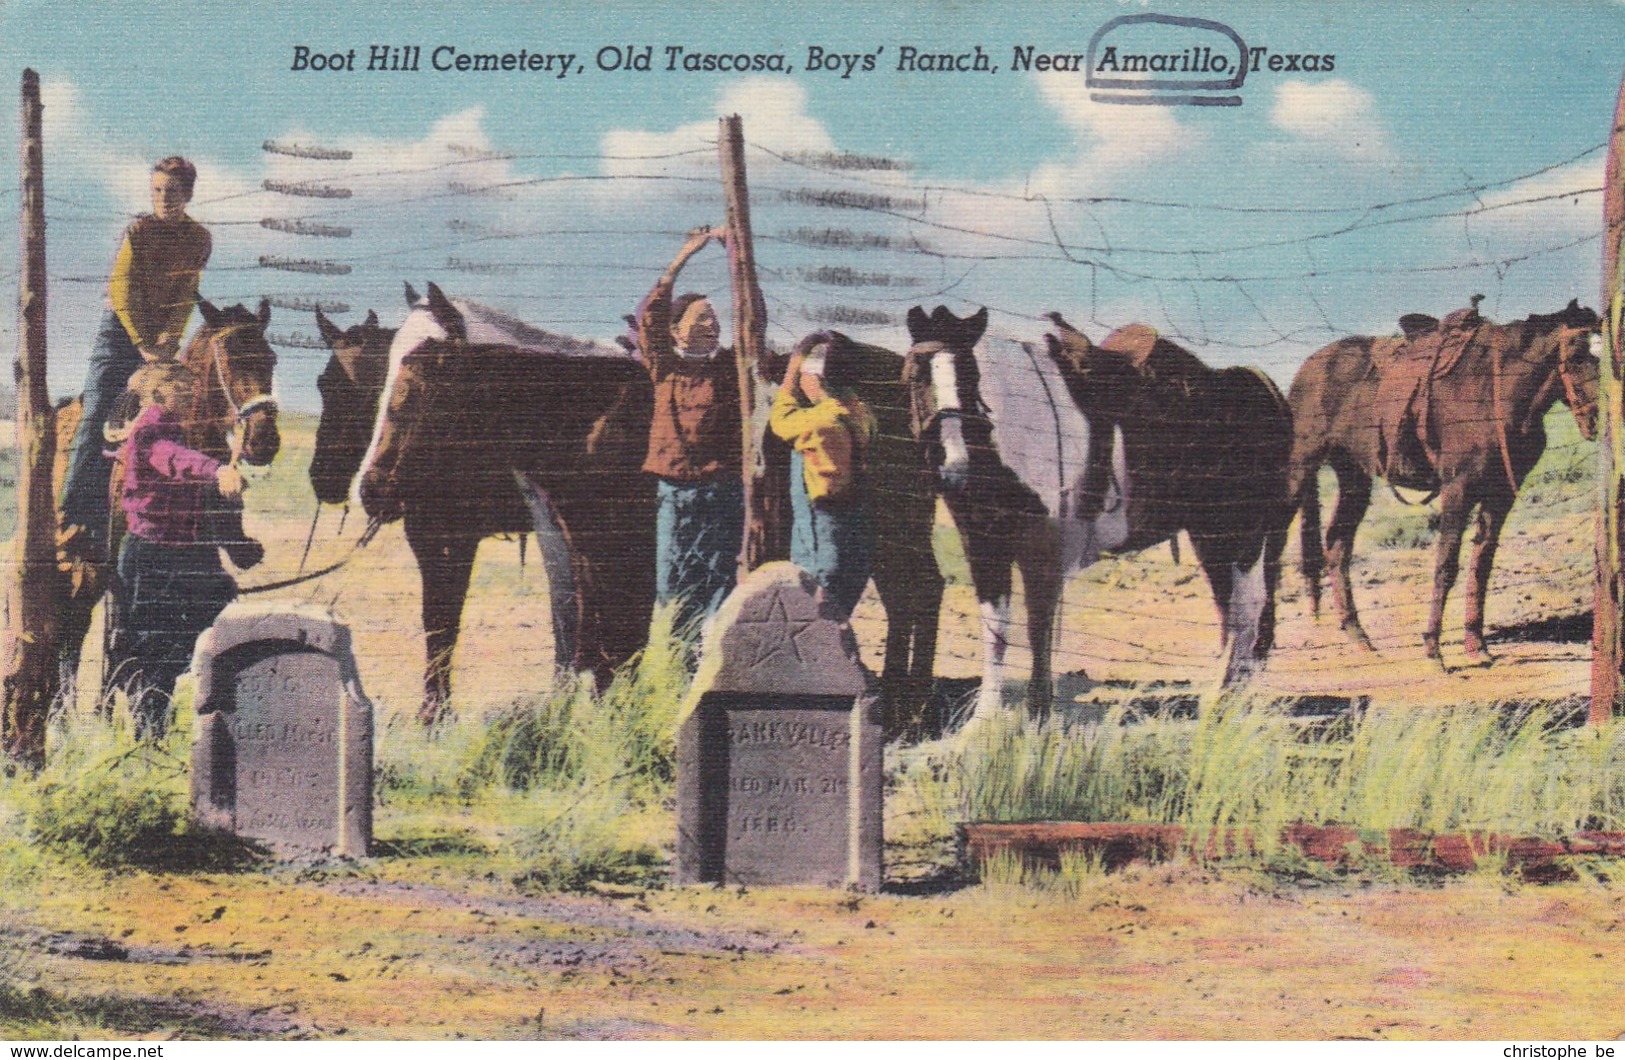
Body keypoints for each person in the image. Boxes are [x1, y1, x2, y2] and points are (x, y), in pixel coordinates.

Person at [59, 156, 212, 569]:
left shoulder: (199, 239)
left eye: (173, 192)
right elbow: (122, 291)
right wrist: (143, 342)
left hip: (160, 338)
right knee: (96, 416)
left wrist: (169, 339)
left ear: (189, 195)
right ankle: (71, 519)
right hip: (120, 333)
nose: (164, 199)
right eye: (157, 191)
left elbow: (187, 292)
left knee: (185, 411)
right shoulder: (139, 232)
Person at [109, 363, 247, 739]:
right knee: (159, 648)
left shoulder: (169, 425)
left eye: (191, 387)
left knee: (209, 615)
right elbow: (171, 458)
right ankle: (149, 735)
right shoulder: (151, 428)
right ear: (157, 393)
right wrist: (216, 471)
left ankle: (157, 720)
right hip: (152, 555)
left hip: (176, 552)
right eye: (179, 388)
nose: (189, 394)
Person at [637, 225, 744, 636]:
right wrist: (686, 254)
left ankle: (710, 670)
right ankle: (673, 676)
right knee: (673, 587)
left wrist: (738, 258)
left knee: (719, 586)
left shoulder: (730, 370)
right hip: (675, 493)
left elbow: (754, 319)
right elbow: (652, 314)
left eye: (715, 318)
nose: (711, 325)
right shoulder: (665, 367)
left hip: (722, 493)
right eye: (701, 318)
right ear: (677, 330)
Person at [770, 331, 878, 618]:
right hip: (854, 520)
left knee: (815, 603)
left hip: (821, 527)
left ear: (814, 378)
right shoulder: (861, 412)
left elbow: (780, 421)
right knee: (839, 604)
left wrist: (792, 370)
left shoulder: (818, 421)